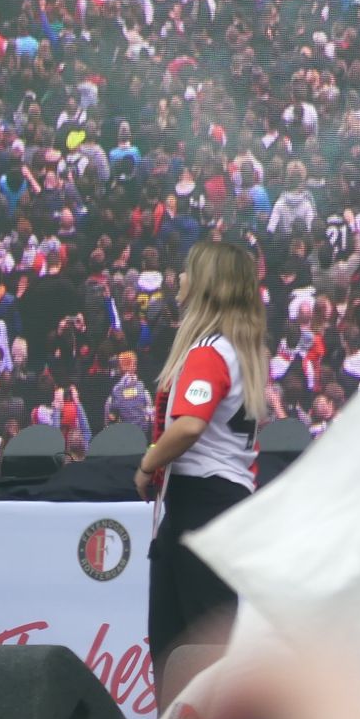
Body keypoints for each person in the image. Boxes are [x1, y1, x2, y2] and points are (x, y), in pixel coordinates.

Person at [134, 240, 267, 690]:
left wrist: (148, 464)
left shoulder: (210, 350)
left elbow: (189, 425)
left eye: (187, 271)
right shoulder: (239, 349)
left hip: (201, 504)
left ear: (206, 284)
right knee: (199, 644)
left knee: (187, 647)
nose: (179, 280)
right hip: (219, 504)